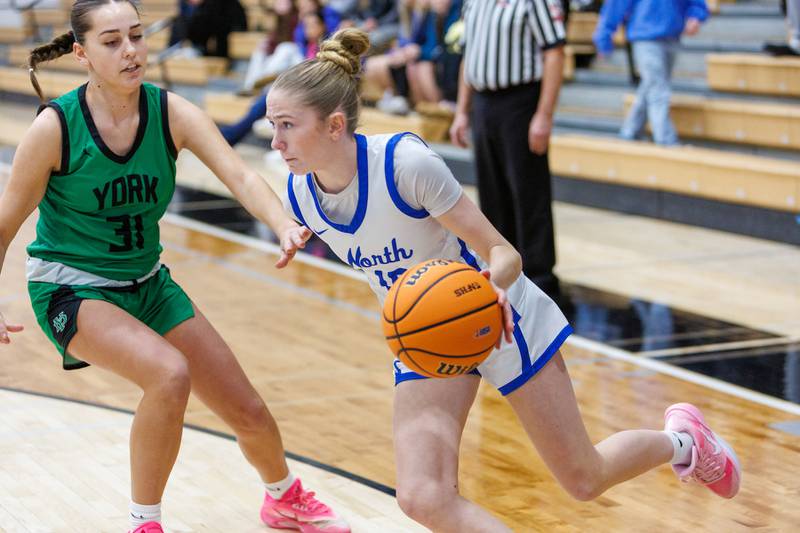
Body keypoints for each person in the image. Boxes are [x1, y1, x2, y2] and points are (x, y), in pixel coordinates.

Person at [266, 27, 741, 532]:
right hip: (428, 336)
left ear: (335, 124)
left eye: (288, 126)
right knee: (423, 497)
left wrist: (494, 285)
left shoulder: (405, 165)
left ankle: (685, 441)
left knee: (584, 478)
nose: (276, 141)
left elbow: (502, 251)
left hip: (501, 318)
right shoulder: (299, 195)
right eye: (274, 126)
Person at [0, 2, 349, 532]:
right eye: (112, 41)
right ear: (82, 53)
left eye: (137, 36)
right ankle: (146, 522)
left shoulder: (171, 112)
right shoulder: (56, 128)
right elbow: (6, 221)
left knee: (247, 410)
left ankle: (283, 497)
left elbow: (240, 175)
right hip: (70, 289)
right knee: (169, 375)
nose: (131, 50)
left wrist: (281, 223)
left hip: (148, 284)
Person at [449, 0, 567, 306]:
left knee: (528, 193)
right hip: (484, 105)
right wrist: (462, 111)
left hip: (521, 101)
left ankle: (541, 282)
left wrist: (544, 115)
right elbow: (468, 56)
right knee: (492, 194)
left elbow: (554, 53)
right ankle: (502, 276)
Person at [593, 0, 709, 145]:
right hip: (644, 37)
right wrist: (603, 37)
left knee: (650, 86)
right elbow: (616, 5)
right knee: (657, 88)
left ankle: (630, 132)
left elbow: (696, 2)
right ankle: (666, 140)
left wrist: (695, 16)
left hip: (671, 35)